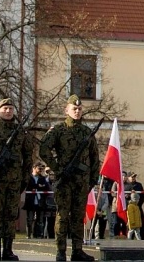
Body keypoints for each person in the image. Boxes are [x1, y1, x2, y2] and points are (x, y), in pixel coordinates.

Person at [39, 95, 100, 262]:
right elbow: (43, 149)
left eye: (80, 109)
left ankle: (77, 251)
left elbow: (95, 158)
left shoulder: (87, 132)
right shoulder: (58, 130)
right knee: (62, 216)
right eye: (74, 109)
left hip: (82, 182)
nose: (77, 111)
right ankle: (60, 251)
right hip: (64, 181)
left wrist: (93, 179)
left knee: (78, 217)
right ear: (67, 110)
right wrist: (58, 169)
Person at [0, 98, 34, 261]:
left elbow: (28, 156)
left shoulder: (21, 132)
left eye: (11, 108)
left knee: (11, 215)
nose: (8, 111)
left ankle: (8, 250)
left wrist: (25, 178)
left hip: (14, 181)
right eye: (4, 108)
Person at [23, 163, 50, 238]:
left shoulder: (42, 178)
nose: (40, 170)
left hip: (40, 202)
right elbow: (28, 186)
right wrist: (38, 186)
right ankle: (29, 234)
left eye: (42, 169)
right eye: (39, 168)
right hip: (30, 202)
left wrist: (40, 187)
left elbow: (47, 188)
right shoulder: (29, 178)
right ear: (34, 168)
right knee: (30, 219)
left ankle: (38, 235)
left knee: (40, 220)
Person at [121, 173, 144, 239]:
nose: (133, 178)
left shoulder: (139, 185)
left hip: (138, 206)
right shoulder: (125, 186)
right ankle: (129, 238)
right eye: (132, 177)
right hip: (129, 207)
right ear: (128, 178)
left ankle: (142, 237)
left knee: (140, 221)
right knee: (130, 223)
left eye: (134, 177)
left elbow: (143, 195)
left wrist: (139, 203)